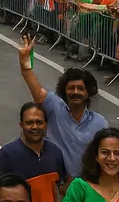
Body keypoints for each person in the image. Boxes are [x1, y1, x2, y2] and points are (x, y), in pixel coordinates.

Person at [17, 35, 107, 177]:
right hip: (55, 185)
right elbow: (36, 88)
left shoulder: (100, 123)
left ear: (88, 93)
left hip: (85, 186)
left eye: (80, 88)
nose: (75, 92)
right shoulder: (54, 107)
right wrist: (25, 63)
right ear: (64, 91)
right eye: (71, 88)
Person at [0, 103, 70, 202]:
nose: (35, 127)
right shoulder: (8, 154)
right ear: (21, 125)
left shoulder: (55, 153)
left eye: (39, 122)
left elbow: (61, 189)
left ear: (46, 124)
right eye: (29, 123)